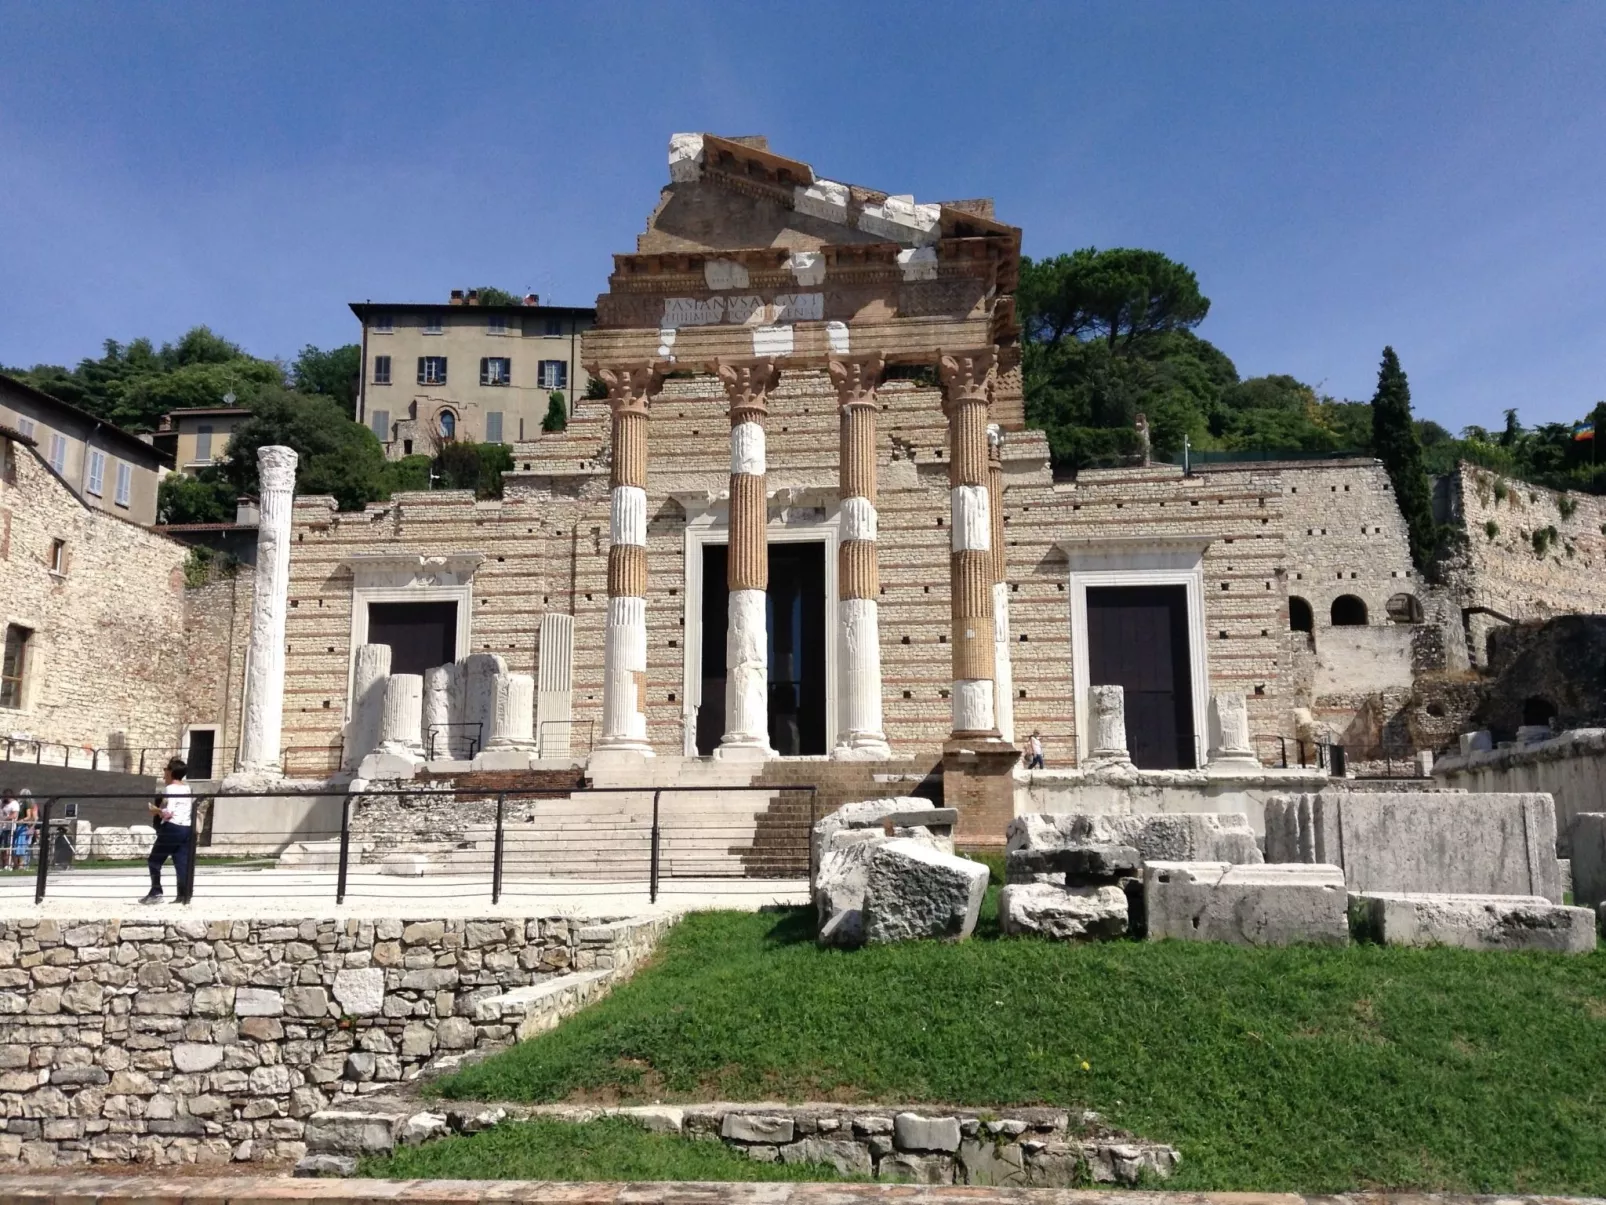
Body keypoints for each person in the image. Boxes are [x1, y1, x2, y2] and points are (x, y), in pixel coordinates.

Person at [141, 757, 194, 905]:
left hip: (172, 827)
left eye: (166, 770)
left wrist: (155, 810)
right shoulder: (186, 788)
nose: (164, 774)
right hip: (186, 827)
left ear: (171, 772)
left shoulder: (170, 789)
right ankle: (183, 895)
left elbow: (168, 813)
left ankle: (156, 892)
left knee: (154, 860)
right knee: (181, 861)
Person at [11, 791, 35, 870]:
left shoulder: (27, 803)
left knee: (20, 845)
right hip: (14, 826)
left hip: (22, 827)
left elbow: (29, 816)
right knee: (13, 845)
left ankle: (21, 865)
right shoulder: (17, 803)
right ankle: (15, 865)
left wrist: (22, 820)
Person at [0, 789, 17, 871]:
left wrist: (5, 819)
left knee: (7, 846)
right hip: (1, 827)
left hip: (9, 828)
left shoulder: (14, 804)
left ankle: (8, 864)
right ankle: (2, 864)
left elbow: (14, 815)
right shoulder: (1, 802)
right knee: (2, 847)